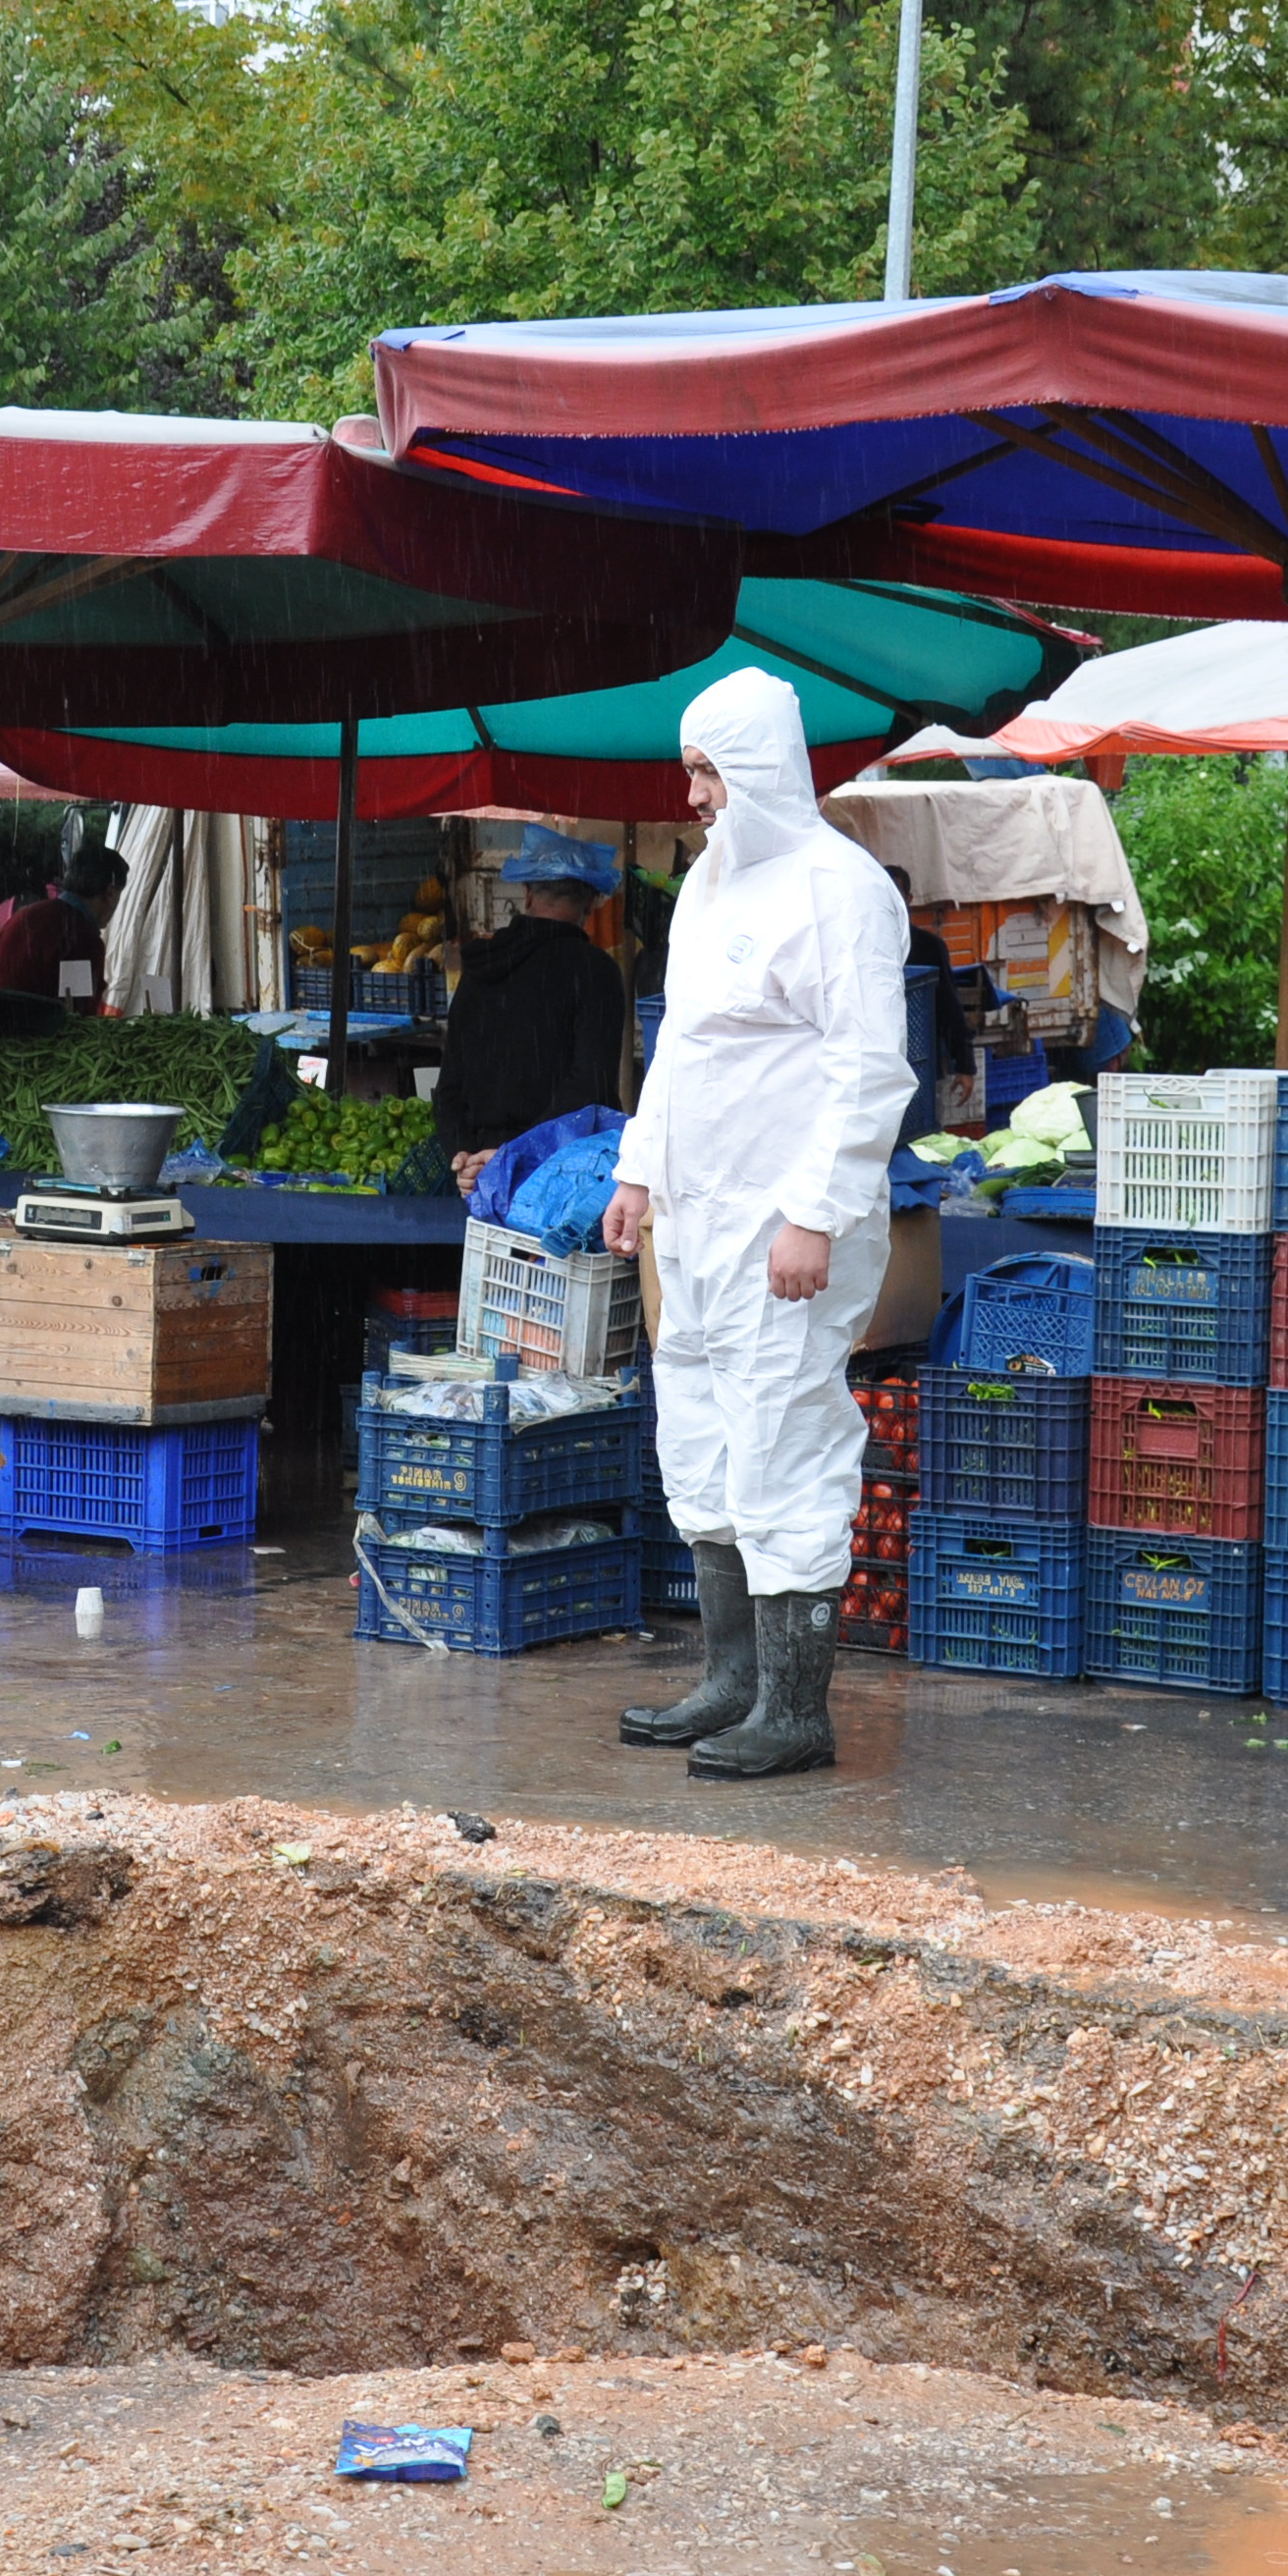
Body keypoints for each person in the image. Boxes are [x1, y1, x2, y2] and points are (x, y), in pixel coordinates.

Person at [603, 668, 916, 1781]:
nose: (690, 794)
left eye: (706, 771)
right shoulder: (709, 890)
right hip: (695, 1225)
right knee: (699, 1436)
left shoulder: (840, 888)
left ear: (762, 770)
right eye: (688, 768)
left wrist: (815, 1214)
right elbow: (680, 1044)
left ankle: (795, 1707)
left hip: (785, 1229)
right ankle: (730, 1678)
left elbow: (870, 1067)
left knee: (783, 1437)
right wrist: (640, 1175)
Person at [440, 829, 632, 1194]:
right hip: (559, 1174)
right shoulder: (595, 971)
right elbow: (591, 1085)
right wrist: (513, 1155)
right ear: (591, 902)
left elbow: (450, 1084)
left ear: (527, 893)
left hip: (479, 1174)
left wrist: (466, 1156)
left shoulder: (481, 965)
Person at [0, 841, 127, 1006]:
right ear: (110, 893)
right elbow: (80, 1019)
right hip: (40, 1030)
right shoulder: (83, 938)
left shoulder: (22, 917)